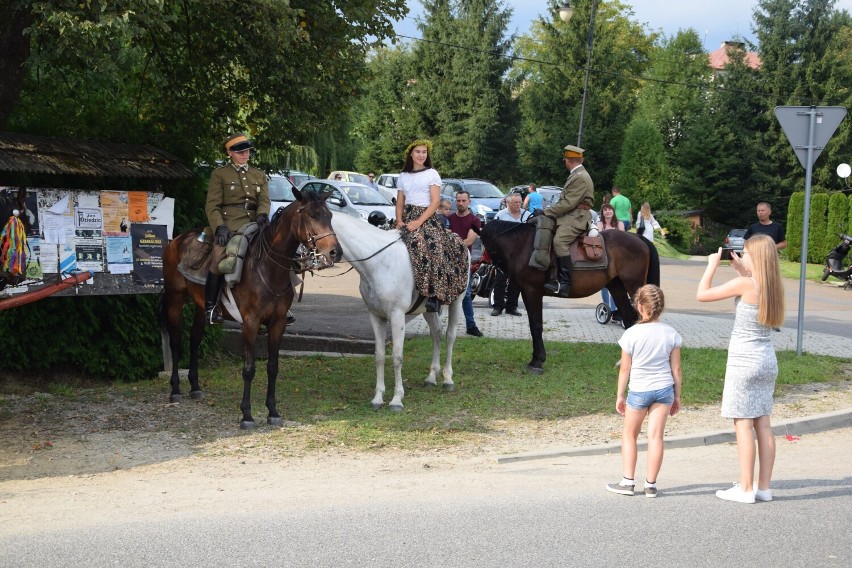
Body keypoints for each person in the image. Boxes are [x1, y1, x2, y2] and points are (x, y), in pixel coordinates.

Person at [696, 234, 785, 504]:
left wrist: (711, 265)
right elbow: (753, 282)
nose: (742, 255)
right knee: (763, 424)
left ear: (754, 256)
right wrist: (741, 270)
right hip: (767, 359)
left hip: (744, 361)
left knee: (743, 424)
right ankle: (763, 488)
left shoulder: (744, 284)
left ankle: (745, 488)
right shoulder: (773, 286)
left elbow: (702, 295)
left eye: (745, 252)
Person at [606, 284, 682, 498]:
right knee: (656, 437)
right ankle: (651, 485)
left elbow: (625, 369)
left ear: (639, 306)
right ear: (661, 307)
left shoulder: (631, 334)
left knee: (629, 434)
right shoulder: (671, 334)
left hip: (639, 390)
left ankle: (628, 482)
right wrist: (677, 396)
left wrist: (620, 395)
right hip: (664, 389)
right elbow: (675, 368)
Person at [395, 139, 469, 316]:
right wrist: (399, 220)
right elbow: (400, 202)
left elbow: (435, 202)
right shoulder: (403, 176)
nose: (421, 155)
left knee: (432, 247)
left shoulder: (432, 174)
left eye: (424, 152)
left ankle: (434, 294)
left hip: (426, 218)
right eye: (418, 152)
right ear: (411, 154)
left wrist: (419, 222)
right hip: (407, 216)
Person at [204, 132, 270, 325]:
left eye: (247, 150)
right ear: (230, 153)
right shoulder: (220, 174)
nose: (245, 154)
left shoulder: (258, 174)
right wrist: (219, 227)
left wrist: (263, 214)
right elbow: (212, 205)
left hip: (256, 225)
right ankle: (211, 308)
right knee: (218, 258)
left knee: (278, 254)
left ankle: (282, 304)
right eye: (240, 151)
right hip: (230, 226)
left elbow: (264, 200)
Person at [537, 144, 595, 297]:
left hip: (576, 218)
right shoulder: (577, 174)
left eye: (565, 160)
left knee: (559, 241)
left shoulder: (580, 177)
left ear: (568, 161)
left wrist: (546, 211)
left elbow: (569, 203)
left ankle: (565, 284)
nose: (565, 162)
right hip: (570, 215)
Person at [447, 190, 484, 336]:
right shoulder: (449, 219)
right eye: (458, 200)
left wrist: (453, 242)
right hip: (448, 260)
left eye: (463, 201)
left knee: (466, 294)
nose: (461, 203)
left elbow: (469, 241)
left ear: (469, 202)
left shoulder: (475, 221)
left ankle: (471, 325)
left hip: (463, 260)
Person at [491, 193, 531, 317]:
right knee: (500, 280)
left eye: (520, 202)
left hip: (521, 254)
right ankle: (498, 307)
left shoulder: (527, 215)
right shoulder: (500, 215)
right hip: (504, 254)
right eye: (515, 203)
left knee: (517, 281)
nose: (519, 205)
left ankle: (511, 307)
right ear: (508, 203)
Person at [596, 203, 625, 321]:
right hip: (605, 257)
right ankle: (607, 307)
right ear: (602, 213)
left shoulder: (619, 224)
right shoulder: (600, 224)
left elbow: (623, 240)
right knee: (604, 285)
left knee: (616, 283)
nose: (608, 212)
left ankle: (614, 309)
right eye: (605, 210)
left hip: (617, 257)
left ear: (613, 211)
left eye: (610, 210)